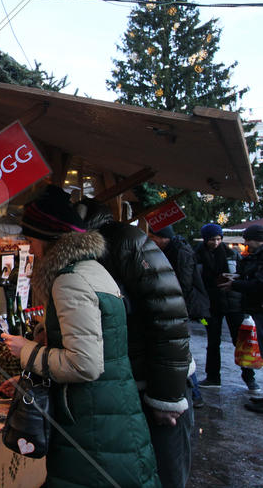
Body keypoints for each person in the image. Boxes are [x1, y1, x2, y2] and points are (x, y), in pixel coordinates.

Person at [1, 185, 160, 487]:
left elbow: (84, 364)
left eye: (32, 239)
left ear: (49, 239)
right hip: (108, 414)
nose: (31, 247)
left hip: (92, 426)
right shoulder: (92, 270)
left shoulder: (69, 281)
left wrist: (26, 350)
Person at [75, 199, 192, 488]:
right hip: (135, 381)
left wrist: (166, 397)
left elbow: (169, 317)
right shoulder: (96, 247)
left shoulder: (123, 241)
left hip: (158, 384)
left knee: (165, 472)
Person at [149, 224, 208, 408]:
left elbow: (183, 283)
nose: (151, 240)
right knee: (180, 350)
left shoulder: (180, 252)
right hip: (177, 307)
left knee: (180, 351)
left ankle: (195, 393)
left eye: (153, 236)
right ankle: (194, 392)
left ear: (162, 237)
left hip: (180, 308)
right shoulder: (173, 249)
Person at [194, 223, 258, 391]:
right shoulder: (197, 256)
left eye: (218, 239)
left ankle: (249, 378)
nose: (215, 242)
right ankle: (213, 377)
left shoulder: (232, 254)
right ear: (205, 239)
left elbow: (244, 275)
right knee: (212, 341)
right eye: (212, 239)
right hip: (209, 309)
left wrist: (236, 280)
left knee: (240, 341)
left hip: (233, 306)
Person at [218, 224, 263, 412]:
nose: (245, 243)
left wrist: (235, 285)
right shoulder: (256, 257)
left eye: (248, 239)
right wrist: (237, 278)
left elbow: (259, 285)